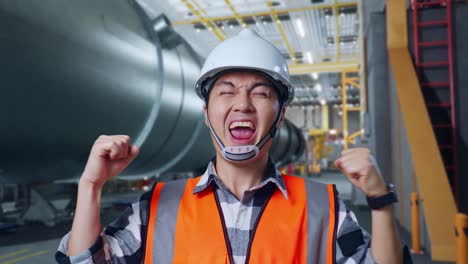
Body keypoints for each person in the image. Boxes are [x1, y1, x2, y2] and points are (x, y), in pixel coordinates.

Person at [56, 28, 411, 263]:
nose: (242, 103)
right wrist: (90, 186)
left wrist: (380, 202)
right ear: (207, 111)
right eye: (226, 91)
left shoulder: (324, 207)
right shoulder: (157, 207)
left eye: (260, 92)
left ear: (281, 113)